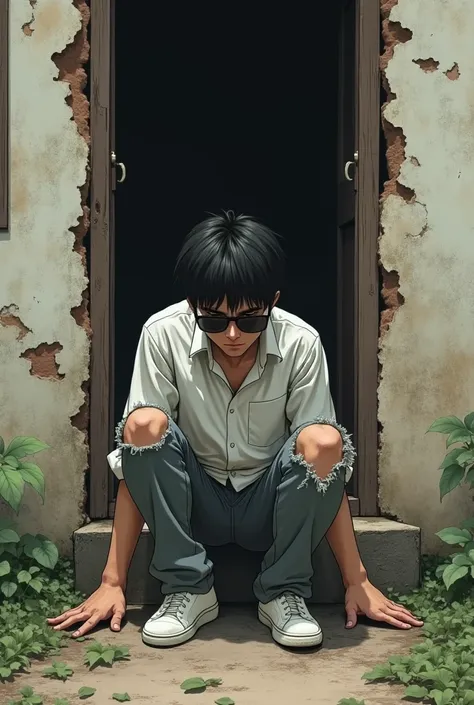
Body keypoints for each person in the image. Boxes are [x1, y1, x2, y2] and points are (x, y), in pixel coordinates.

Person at [48, 212, 422, 648]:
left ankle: (283, 590)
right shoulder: (161, 335)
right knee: (143, 424)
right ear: (192, 304)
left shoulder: (301, 342)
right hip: (194, 505)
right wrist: (112, 581)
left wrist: (357, 579)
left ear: (273, 301)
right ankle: (188, 588)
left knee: (324, 438)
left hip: (268, 506)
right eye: (212, 318)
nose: (231, 333)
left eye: (249, 319)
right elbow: (138, 460)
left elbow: (325, 467)